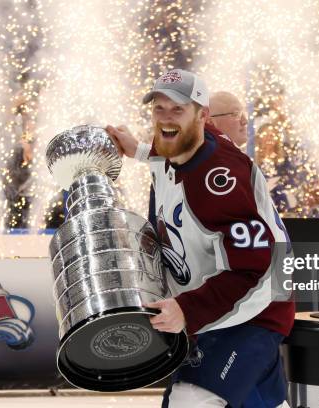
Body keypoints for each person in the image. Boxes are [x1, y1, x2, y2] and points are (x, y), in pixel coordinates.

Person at [106, 69, 294, 408]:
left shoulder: (221, 182)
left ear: (202, 116)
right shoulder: (180, 147)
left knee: (189, 400)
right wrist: (138, 150)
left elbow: (256, 271)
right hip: (222, 307)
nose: (166, 119)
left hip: (254, 312)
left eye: (177, 109)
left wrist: (187, 309)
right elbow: (169, 155)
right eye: (159, 108)